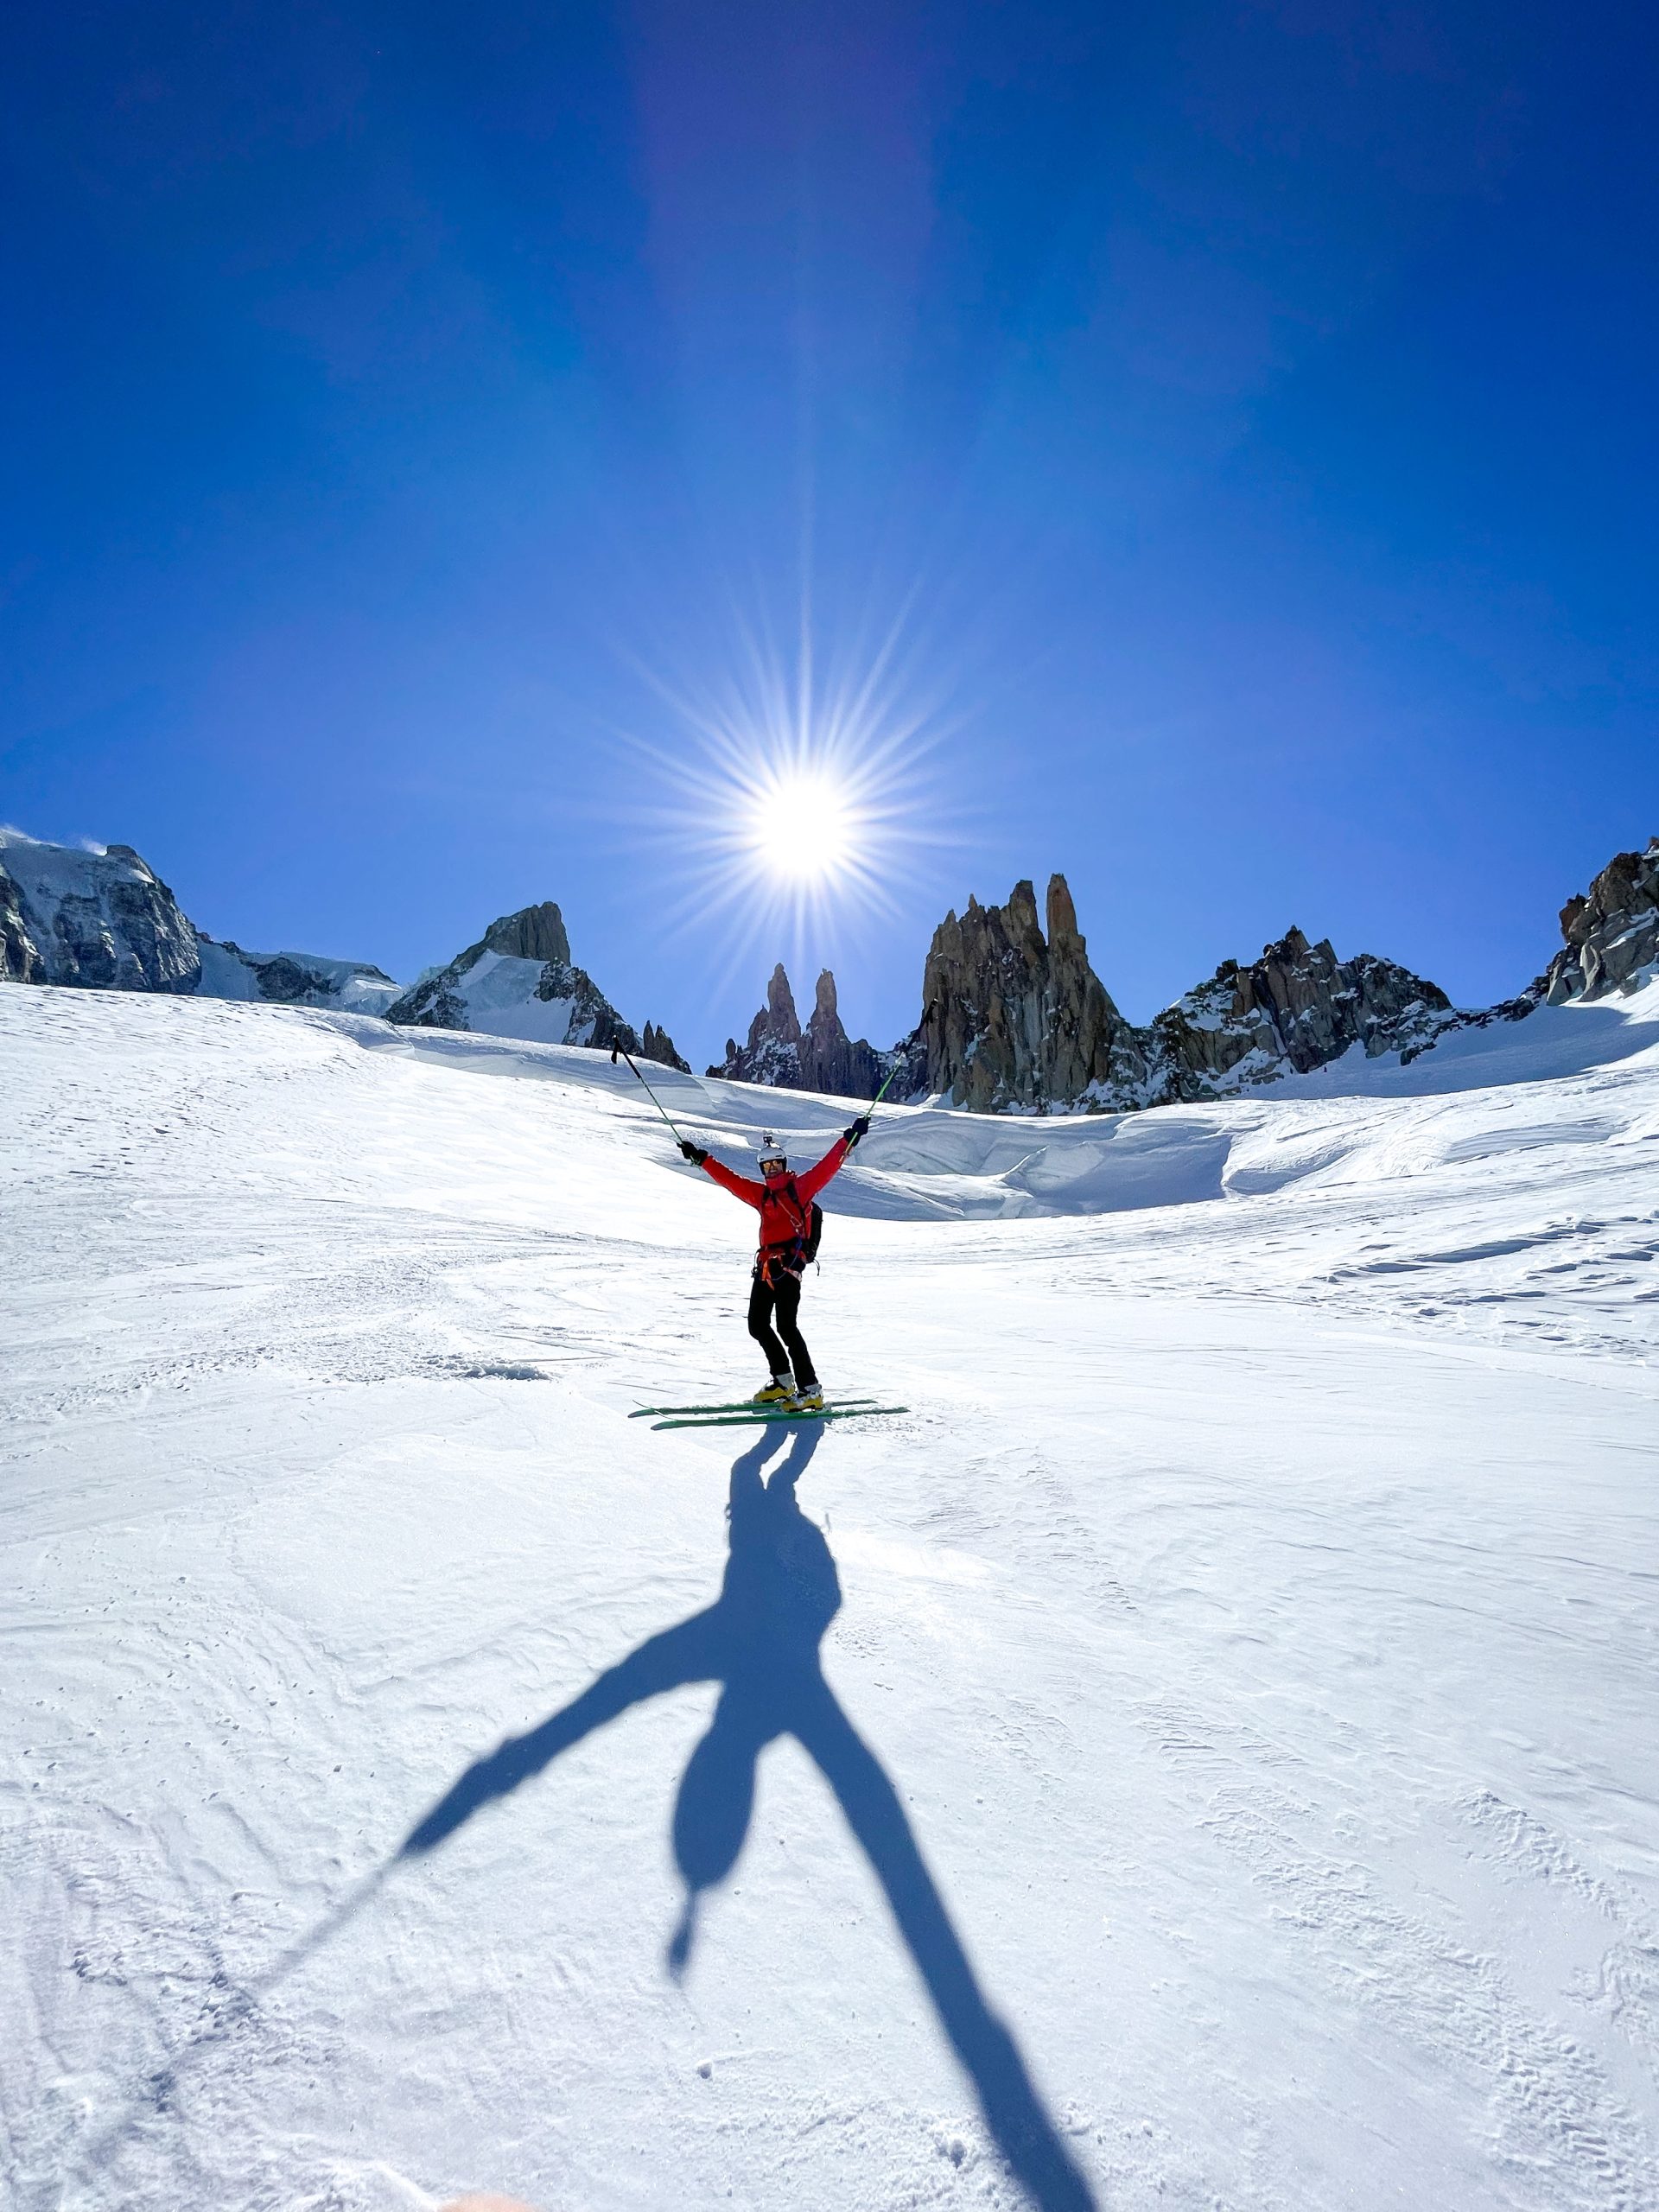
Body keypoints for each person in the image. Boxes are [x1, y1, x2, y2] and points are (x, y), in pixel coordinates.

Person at [678, 1117, 870, 1408]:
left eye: (776, 1164)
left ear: (784, 1163)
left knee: (787, 1327)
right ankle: (783, 1381)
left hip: (789, 1268)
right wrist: (703, 1159)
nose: (772, 1170)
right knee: (757, 1324)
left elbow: (828, 1167)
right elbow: (730, 1181)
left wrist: (849, 1140)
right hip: (766, 1268)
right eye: (767, 1166)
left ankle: (811, 1390)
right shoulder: (762, 1196)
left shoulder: (801, 1189)